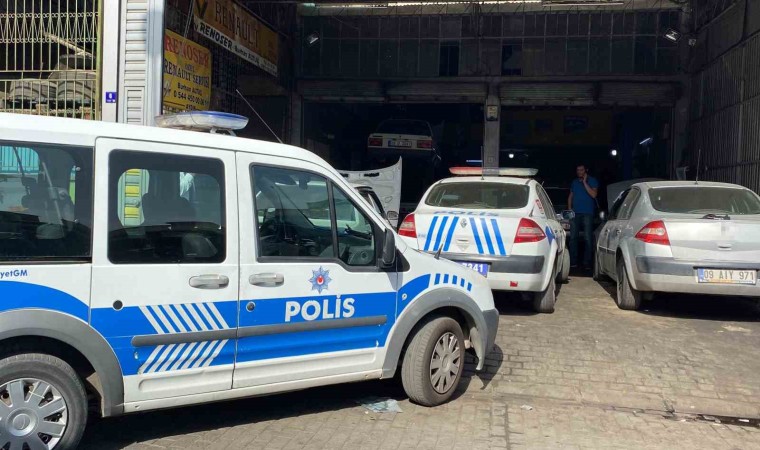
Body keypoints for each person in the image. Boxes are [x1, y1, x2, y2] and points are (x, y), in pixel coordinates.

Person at [568, 164, 598, 270]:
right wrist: (570, 209)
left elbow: (593, 195)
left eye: (581, 170)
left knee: (587, 238)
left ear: (586, 170)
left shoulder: (592, 180)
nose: (579, 172)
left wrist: (585, 182)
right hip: (575, 213)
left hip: (587, 213)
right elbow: (571, 196)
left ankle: (587, 263)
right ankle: (573, 262)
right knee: (573, 238)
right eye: (578, 170)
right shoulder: (574, 182)